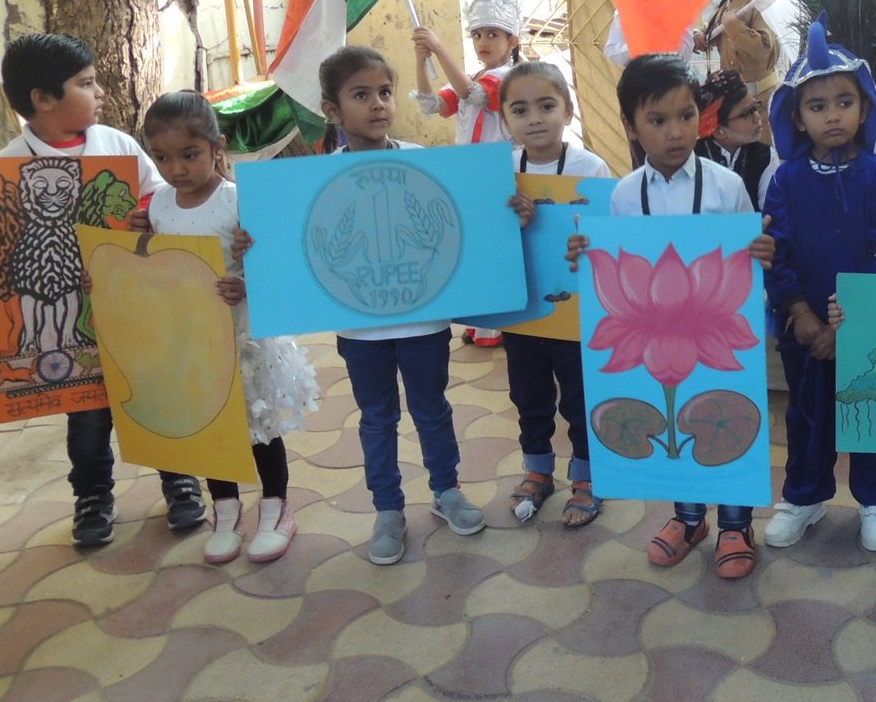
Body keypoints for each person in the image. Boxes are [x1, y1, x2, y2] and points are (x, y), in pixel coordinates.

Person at [0, 33, 206, 548]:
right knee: (86, 413)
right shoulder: (6, 163)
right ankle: (92, 496)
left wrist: (146, 214)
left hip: (133, 303)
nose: (100, 92)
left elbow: (158, 195)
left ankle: (179, 480)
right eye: (86, 84)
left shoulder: (117, 145)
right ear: (43, 99)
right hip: (65, 321)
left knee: (153, 391)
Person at [567, 53, 775, 578]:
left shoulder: (726, 186)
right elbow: (618, 268)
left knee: (723, 412)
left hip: (712, 327)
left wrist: (760, 252)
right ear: (630, 125)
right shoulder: (623, 195)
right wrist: (588, 256)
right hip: (656, 336)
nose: (675, 132)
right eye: (657, 120)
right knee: (672, 415)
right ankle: (688, 517)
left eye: (685, 116)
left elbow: (746, 262)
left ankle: (735, 524)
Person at [318, 45, 486, 564]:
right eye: (361, 95)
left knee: (432, 408)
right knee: (377, 418)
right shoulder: (316, 181)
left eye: (385, 92)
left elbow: (459, 222)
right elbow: (308, 245)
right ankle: (388, 508)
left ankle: (446, 490)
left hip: (424, 324)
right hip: (359, 330)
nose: (378, 104)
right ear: (331, 109)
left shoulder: (422, 163)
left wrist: (504, 208)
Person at [140, 92, 319, 564]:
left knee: (259, 427)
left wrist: (246, 282)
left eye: (189, 154)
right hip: (190, 339)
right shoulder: (158, 206)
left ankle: (276, 507)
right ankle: (225, 510)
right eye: (162, 158)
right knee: (211, 424)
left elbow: (277, 265)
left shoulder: (237, 202)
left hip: (242, 336)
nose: (176, 169)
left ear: (217, 147)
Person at [762, 16, 876, 555]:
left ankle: (875, 498)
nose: (832, 115)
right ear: (797, 117)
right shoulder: (785, 180)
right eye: (817, 105)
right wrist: (800, 312)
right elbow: (774, 249)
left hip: (865, 326)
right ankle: (804, 497)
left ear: (864, 108)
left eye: (844, 102)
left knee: (871, 408)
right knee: (807, 413)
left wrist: (848, 323)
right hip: (803, 328)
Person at [499, 61, 613, 526]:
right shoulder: (502, 171)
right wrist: (509, 221)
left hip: (578, 314)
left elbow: (610, 236)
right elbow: (484, 239)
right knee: (528, 395)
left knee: (581, 396)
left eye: (547, 106)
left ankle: (587, 476)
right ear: (505, 118)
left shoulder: (590, 167)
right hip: (520, 310)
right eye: (520, 110)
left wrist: (590, 238)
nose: (535, 119)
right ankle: (537, 470)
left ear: (567, 111)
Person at [413, 0, 522, 348]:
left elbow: (471, 94)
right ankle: (479, 323)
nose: (483, 42)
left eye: (493, 34)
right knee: (473, 249)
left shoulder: (508, 78)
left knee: (494, 250)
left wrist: (439, 48)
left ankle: (499, 325)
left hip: (496, 173)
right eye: (477, 35)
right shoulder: (473, 75)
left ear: (513, 40)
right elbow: (433, 104)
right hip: (468, 175)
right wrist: (421, 59)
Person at [697, 0, 782, 140]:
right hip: (734, 104)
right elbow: (712, 31)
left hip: (762, 102)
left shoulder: (760, 6)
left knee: (762, 154)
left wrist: (735, 27)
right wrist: (700, 36)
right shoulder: (725, 6)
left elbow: (763, 50)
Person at [695, 69, 779, 210]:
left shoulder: (765, 156)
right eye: (747, 113)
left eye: (755, 107)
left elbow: (769, 215)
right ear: (719, 131)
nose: (757, 117)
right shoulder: (691, 158)